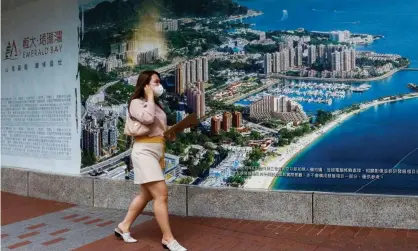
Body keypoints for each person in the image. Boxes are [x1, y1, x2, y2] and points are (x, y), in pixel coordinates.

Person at [114, 70, 187, 251]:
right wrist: (149, 97)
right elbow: (147, 118)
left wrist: (172, 132)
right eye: (155, 82)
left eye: (159, 82)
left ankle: (123, 227)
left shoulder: (157, 105)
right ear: (145, 84)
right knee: (161, 194)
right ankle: (168, 239)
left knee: (146, 195)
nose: (159, 85)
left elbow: (158, 127)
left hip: (157, 150)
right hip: (144, 151)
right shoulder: (136, 103)